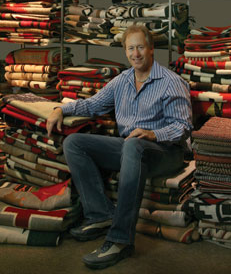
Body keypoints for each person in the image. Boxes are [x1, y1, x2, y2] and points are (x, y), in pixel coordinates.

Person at [46, 25, 192, 270]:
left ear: (151, 49)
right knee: (74, 143)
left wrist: (153, 134)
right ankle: (101, 214)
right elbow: (92, 105)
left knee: (134, 144)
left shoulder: (171, 82)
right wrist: (61, 108)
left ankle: (120, 240)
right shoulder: (122, 81)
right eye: (131, 48)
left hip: (167, 152)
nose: (136, 54)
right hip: (131, 149)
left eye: (141, 47)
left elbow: (184, 127)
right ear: (125, 51)